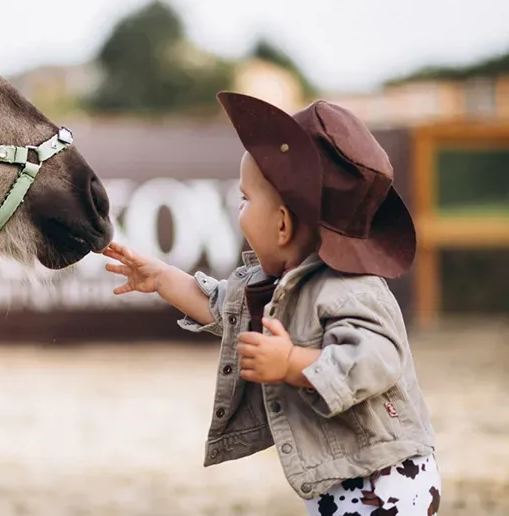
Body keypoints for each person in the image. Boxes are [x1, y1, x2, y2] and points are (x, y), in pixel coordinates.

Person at [103, 92, 440, 515]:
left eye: (244, 198)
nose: (238, 208)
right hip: (341, 480)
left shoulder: (350, 288)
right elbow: (227, 308)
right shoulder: (282, 283)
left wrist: (292, 363)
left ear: (282, 225)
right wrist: (163, 278)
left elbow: (376, 359)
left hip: (386, 482)